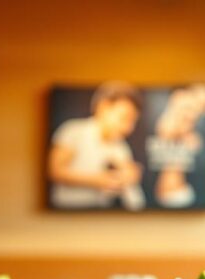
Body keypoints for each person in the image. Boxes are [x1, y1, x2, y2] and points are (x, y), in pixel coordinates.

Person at [48, 82, 145, 210]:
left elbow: (132, 196)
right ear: (103, 107)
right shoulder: (74, 131)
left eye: (133, 121)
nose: (128, 127)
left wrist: (127, 178)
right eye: (124, 118)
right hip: (66, 212)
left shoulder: (120, 146)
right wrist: (98, 180)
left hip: (99, 215)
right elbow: (55, 171)